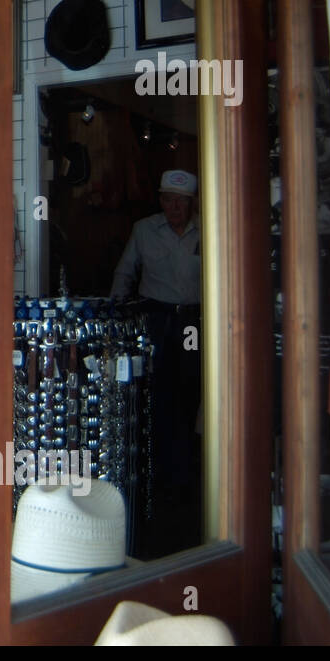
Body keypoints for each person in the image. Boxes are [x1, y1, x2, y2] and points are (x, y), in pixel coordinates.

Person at [110, 168, 202, 558]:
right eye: (167, 199)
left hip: (194, 319)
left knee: (193, 392)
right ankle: (159, 480)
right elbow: (125, 272)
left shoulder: (207, 229)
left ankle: (188, 481)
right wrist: (114, 318)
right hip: (157, 317)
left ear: (191, 203)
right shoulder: (145, 229)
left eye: (180, 201)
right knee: (155, 396)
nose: (174, 207)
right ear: (160, 200)